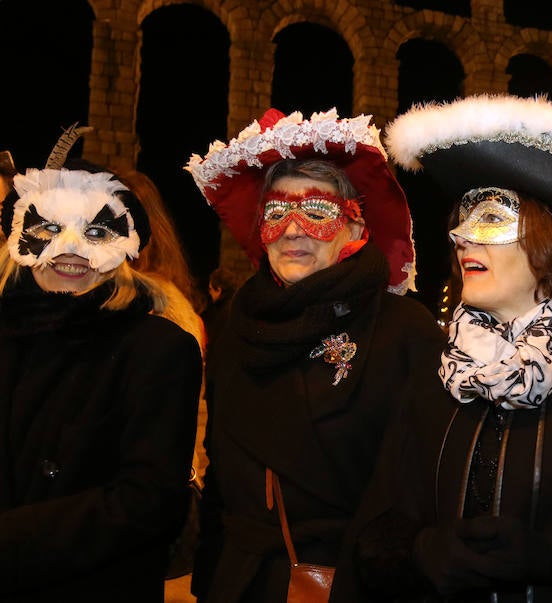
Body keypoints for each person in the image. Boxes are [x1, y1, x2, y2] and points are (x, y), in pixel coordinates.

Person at [331, 94, 552, 602]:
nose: (461, 237)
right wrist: (418, 551)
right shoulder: (437, 369)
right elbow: (379, 523)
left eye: (488, 219)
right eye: (460, 221)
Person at [184, 107, 446, 602]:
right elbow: (221, 476)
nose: (293, 229)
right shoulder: (240, 322)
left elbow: (418, 493)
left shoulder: (405, 332)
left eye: (319, 212)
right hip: (240, 584)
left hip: (348, 584)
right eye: (277, 213)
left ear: (354, 227)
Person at [0, 129, 203, 602]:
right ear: (20, 239)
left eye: (96, 232)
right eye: (49, 229)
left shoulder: (157, 349)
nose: (70, 250)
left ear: (126, 248)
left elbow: (147, 500)